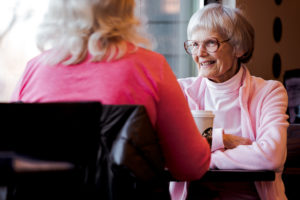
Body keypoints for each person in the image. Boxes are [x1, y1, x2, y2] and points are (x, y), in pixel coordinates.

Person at [11, 0, 211, 187]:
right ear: (125, 9)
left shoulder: (33, 71)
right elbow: (191, 167)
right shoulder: (151, 68)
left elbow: (10, 157)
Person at [169, 3, 289, 200]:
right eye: (194, 44)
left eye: (210, 43)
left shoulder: (269, 92)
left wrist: (203, 158)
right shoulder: (181, 91)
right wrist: (222, 140)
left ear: (239, 48)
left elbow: (271, 156)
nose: (199, 53)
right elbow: (167, 153)